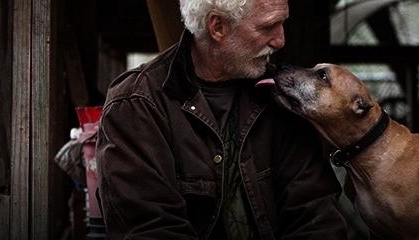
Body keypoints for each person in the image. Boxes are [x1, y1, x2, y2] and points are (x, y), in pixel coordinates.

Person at [95, 0, 348, 239]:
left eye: (283, 23)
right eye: (268, 26)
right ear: (217, 27)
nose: (280, 40)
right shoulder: (136, 104)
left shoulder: (284, 98)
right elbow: (149, 229)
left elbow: (316, 218)